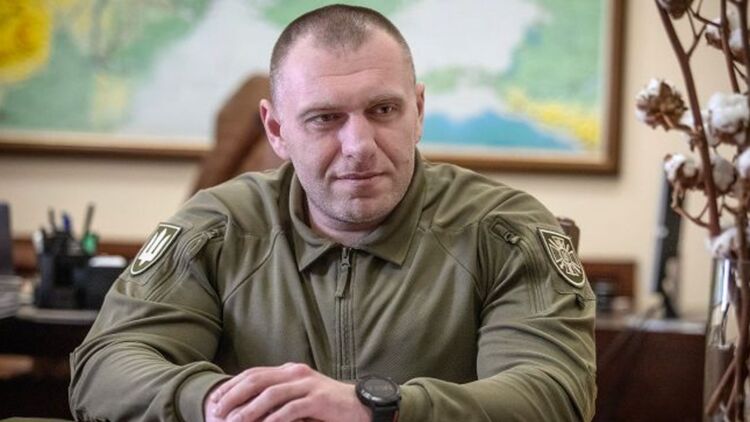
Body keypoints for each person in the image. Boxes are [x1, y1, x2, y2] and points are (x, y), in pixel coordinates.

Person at [69, 5, 596, 422]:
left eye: (383, 110)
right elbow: (104, 368)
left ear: (418, 112)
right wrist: (217, 403)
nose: (359, 145)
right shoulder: (218, 227)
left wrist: (378, 409)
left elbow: (554, 393)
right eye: (324, 118)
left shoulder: (504, 230)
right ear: (276, 130)